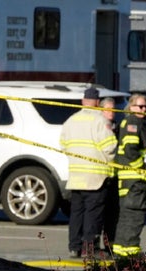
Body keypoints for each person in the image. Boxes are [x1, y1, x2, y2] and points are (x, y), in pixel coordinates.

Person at [60, 88, 118, 258]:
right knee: (93, 214)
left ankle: (74, 246)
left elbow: (63, 144)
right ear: (98, 102)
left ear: (82, 101)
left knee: (76, 213)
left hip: (76, 175)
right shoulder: (100, 120)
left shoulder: (71, 120)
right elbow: (110, 146)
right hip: (95, 176)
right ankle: (89, 248)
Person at [112, 94, 146, 258]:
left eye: (145, 106)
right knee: (135, 214)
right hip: (134, 179)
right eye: (140, 106)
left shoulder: (128, 121)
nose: (143, 109)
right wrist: (143, 169)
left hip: (127, 179)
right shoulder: (134, 122)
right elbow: (131, 150)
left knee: (126, 214)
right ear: (131, 107)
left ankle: (120, 249)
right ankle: (131, 250)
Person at [100, 97, 120, 251]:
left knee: (113, 214)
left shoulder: (118, 128)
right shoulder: (98, 127)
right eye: (107, 109)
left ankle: (109, 245)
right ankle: (92, 246)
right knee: (97, 214)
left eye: (113, 109)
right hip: (99, 176)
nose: (111, 113)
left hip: (114, 177)